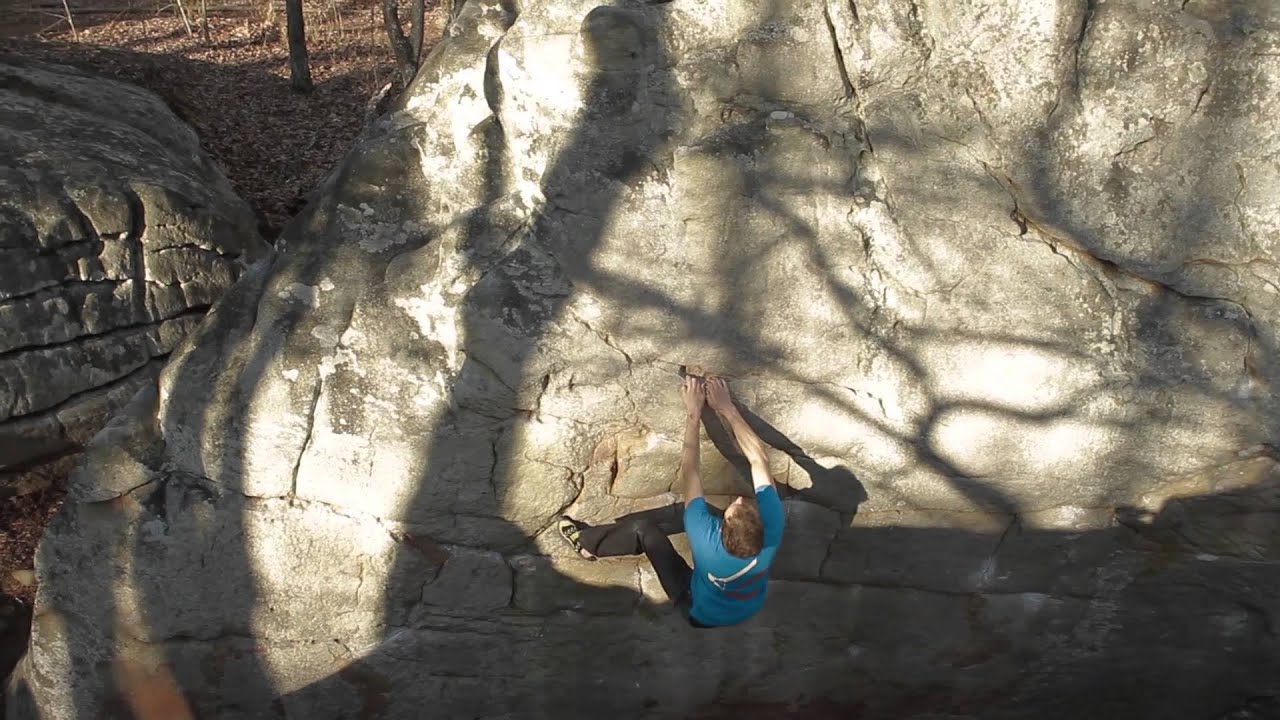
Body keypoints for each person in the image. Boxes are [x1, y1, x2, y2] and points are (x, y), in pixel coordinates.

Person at [558, 375, 786, 628]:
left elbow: (691, 473)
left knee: (642, 530)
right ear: (762, 528)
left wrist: (693, 414)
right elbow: (759, 459)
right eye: (749, 508)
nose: (742, 500)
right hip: (744, 607)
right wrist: (727, 408)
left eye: (735, 509)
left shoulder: (703, 536)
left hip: (698, 609)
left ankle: (587, 543)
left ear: (721, 530)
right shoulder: (773, 525)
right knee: (703, 512)